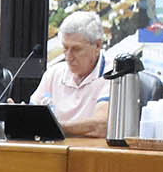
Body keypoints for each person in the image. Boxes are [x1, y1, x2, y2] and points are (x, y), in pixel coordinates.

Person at [30, 10, 112, 138]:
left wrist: (55, 127)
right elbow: (33, 114)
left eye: (76, 49)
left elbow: (101, 125)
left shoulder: (112, 75)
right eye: (65, 48)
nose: (69, 56)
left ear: (97, 45)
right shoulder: (54, 73)